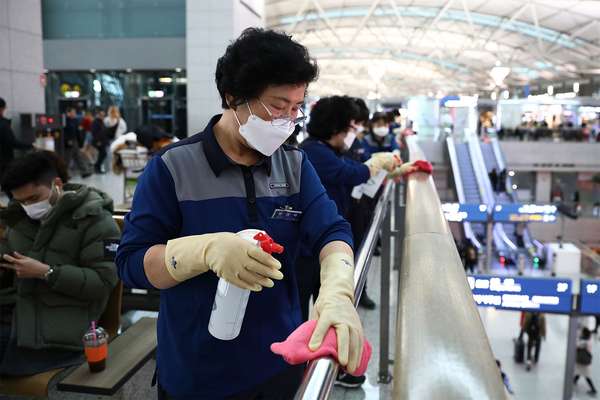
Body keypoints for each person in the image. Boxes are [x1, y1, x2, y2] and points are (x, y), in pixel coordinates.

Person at [116, 28, 366, 399]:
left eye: (296, 108)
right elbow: (133, 263)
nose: (288, 120)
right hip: (197, 372)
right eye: (277, 107)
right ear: (233, 97)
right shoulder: (173, 168)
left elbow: (332, 230)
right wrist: (202, 252)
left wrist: (336, 293)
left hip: (281, 360)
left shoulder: (294, 165)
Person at [0, 151, 119, 375]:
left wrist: (47, 272)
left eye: (33, 199)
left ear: (56, 184)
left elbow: (102, 282)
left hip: (59, 330)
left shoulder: (95, 221)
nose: (28, 207)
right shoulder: (19, 220)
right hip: (19, 315)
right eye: (21, 201)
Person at [0, 97, 33, 178]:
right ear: (2, 109)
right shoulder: (3, 125)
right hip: (4, 163)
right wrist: (31, 146)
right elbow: (12, 142)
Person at [63, 107, 92, 178]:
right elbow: (64, 133)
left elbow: (78, 132)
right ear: (68, 113)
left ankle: (84, 172)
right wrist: (67, 140)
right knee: (67, 158)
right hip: (69, 142)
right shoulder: (65, 121)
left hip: (75, 141)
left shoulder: (75, 121)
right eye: (73, 112)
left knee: (78, 157)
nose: (74, 114)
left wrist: (80, 142)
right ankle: (64, 174)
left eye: (74, 112)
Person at [574, 327, 597, 395]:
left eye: (582, 332)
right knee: (579, 371)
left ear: (584, 333)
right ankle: (574, 380)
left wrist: (578, 339)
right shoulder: (588, 340)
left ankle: (593, 389)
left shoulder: (585, 342)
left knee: (586, 375)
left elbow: (578, 345)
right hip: (584, 360)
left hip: (583, 360)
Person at [91, 108, 108, 174]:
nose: (102, 116)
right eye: (101, 115)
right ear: (98, 115)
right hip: (98, 142)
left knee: (103, 154)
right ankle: (96, 167)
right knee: (103, 153)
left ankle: (97, 167)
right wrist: (98, 141)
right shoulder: (96, 122)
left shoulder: (101, 122)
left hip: (102, 141)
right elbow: (94, 133)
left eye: (103, 115)